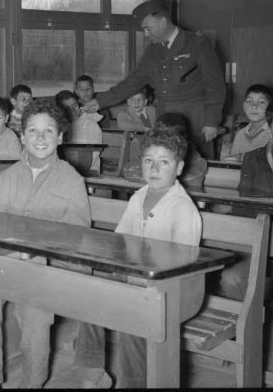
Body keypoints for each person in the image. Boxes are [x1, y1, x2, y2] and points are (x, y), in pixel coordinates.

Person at [0, 99, 91, 389]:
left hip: (53, 265)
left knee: (35, 310)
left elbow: (78, 231)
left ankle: (33, 381)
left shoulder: (71, 179)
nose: (40, 138)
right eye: (33, 131)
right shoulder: (9, 176)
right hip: (12, 259)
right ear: (22, 136)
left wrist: (36, 249)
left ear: (61, 138)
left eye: (48, 132)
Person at [74, 129, 202, 388]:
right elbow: (119, 242)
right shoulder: (138, 197)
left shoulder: (183, 208)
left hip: (173, 288)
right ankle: (93, 372)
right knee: (89, 292)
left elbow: (182, 265)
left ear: (178, 168)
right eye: (148, 160)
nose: (154, 168)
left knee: (133, 314)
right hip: (136, 277)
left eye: (163, 162)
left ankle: (132, 383)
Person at [82, 0, 226, 158]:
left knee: (196, 165)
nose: (146, 34)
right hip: (164, 117)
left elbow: (215, 86)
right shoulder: (153, 52)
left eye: (147, 28)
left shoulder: (196, 43)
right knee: (164, 161)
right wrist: (100, 101)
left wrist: (212, 122)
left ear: (162, 22)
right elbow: (133, 82)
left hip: (194, 119)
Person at [217, 99, 273, 363]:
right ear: (270, 129)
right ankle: (246, 330)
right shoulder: (253, 158)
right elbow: (244, 204)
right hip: (259, 233)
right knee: (231, 277)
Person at [122, 112, 208, 188]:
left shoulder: (194, 159)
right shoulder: (152, 151)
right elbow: (127, 170)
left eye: (169, 138)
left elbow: (193, 181)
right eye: (159, 136)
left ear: (181, 138)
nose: (164, 141)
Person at [56, 89, 103, 174]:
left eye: (74, 105)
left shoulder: (90, 125)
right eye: (67, 108)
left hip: (89, 171)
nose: (73, 110)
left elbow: (92, 157)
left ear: (78, 104)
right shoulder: (60, 125)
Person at [223, 84, 273, 162]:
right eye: (249, 101)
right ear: (244, 106)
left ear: (271, 107)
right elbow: (233, 162)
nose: (254, 106)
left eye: (261, 102)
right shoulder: (240, 135)